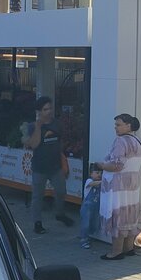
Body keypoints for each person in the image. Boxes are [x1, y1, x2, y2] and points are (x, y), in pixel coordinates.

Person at [97, 114, 141, 260]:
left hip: (119, 185)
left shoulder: (120, 141)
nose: (116, 128)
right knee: (130, 215)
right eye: (115, 125)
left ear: (128, 125)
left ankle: (116, 251)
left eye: (118, 125)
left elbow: (117, 165)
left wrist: (101, 165)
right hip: (132, 183)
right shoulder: (138, 140)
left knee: (117, 216)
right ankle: (128, 248)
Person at [26, 96, 73, 234]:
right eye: (45, 109)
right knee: (37, 196)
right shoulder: (32, 126)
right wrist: (38, 126)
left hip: (55, 166)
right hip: (40, 167)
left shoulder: (57, 124)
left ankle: (59, 213)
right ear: (39, 111)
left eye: (50, 108)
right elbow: (33, 144)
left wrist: (63, 159)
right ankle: (37, 222)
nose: (49, 111)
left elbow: (60, 142)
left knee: (61, 191)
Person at [79, 164, 103, 250]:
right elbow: (93, 184)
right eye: (97, 173)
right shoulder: (89, 181)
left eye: (100, 173)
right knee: (85, 224)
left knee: (94, 224)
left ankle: (88, 236)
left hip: (95, 208)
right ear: (91, 173)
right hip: (87, 208)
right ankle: (83, 239)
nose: (99, 175)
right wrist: (103, 181)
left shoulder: (100, 183)